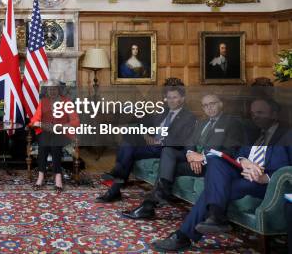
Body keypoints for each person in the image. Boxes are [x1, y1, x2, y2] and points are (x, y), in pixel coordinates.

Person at [152, 97, 292, 251]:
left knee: (213, 190)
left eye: (260, 112)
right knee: (216, 161)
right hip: (243, 172)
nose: (255, 116)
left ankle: (184, 235)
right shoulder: (256, 132)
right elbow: (240, 153)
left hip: (265, 183)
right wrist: (244, 160)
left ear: (274, 114)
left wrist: (266, 177)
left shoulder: (286, 135)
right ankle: (216, 216)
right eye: (253, 113)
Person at [121, 94, 244, 220]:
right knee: (168, 151)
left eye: (212, 103)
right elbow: (189, 142)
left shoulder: (232, 123)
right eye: (205, 105)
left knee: (168, 168)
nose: (209, 108)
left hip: (212, 164)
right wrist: (190, 154)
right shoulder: (202, 123)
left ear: (220, 104)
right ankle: (157, 198)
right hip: (194, 158)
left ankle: (150, 204)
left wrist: (202, 157)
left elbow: (231, 151)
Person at [96, 85, 197, 202]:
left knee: (128, 150)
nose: (171, 101)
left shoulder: (188, 117)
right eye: (169, 97)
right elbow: (144, 122)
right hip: (151, 145)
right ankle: (115, 187)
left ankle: (114, 187)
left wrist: (161, 141)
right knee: (128, 141)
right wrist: (146, 134)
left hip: (165, 150)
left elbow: (182, 139)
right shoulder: (163, 111)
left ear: (182, 99)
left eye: (174, 97)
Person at [30, 80, 79, 193]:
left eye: (54, 89)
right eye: (50, 89)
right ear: (47, 91)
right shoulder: (43, 102)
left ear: (58, 90)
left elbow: (75, 121)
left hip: (62, 133)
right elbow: (34, 120)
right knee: (44, 142)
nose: (52, 91)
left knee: (54, 141)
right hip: (46, 132)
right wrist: (39, 124)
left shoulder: (66, 102)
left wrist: (62, 126)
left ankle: (56, 176)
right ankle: (42, 175)